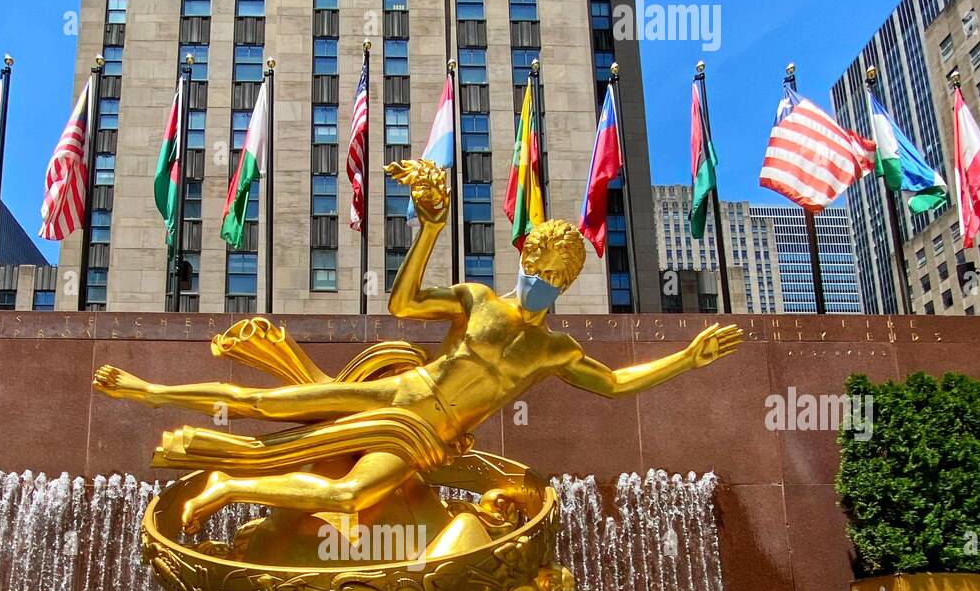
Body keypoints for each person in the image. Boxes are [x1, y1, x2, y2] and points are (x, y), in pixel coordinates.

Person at [93, 158, 742, 532]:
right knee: (274, 404)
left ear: (567, 285)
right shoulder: (479, 300)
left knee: (349, 497)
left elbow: (618, 385)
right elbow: (404, 304)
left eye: (556, 279)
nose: (542, 283)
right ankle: (148, 391)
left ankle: (230, 489)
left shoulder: (554, 352)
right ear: (524, 264)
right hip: (403, 391)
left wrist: (689, 357)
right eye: (538, 270)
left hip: (427, 439)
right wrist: (430, 229)